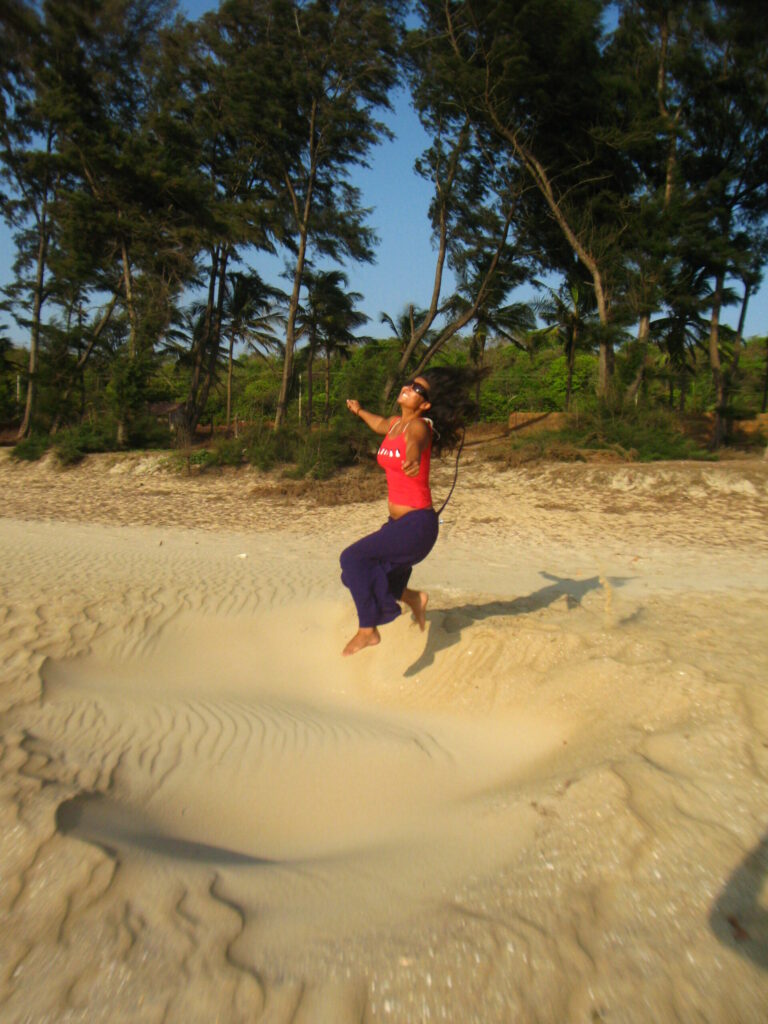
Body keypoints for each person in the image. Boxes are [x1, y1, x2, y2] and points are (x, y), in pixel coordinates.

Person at [340, 366, 479, 657]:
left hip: (417, 526)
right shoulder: (394, 425)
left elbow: (414, 443)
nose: (409, 388)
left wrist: (413, 459)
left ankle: (369, 630)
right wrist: (359, 410)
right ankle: (414, 598)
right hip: (398, 525)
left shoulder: (419, 427)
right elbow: (378, 423)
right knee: (355, 575)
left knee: (352, 558)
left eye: (418, 389)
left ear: (425, 405)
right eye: (409, 384)